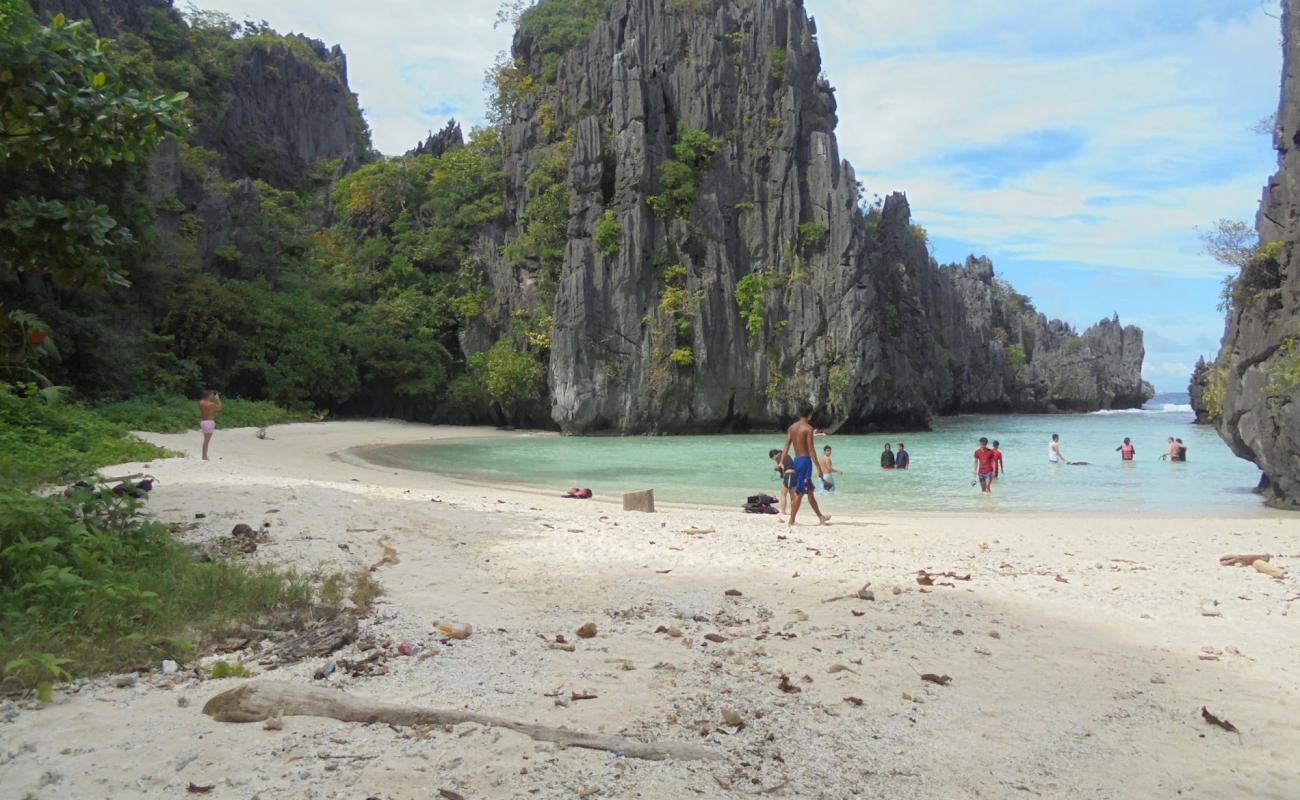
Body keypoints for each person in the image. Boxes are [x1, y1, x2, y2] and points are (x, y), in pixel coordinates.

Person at [778, 403, 830, 529]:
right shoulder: (808, 429)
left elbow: (786, 446)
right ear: (810, 414)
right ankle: (791, 521)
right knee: (800, 492)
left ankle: (820, 517)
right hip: (805, 461)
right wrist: (818, 467)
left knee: (809, 492)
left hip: (796, 461)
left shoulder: (792, 428)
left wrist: (781, 461)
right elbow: (811, 450)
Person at [769, 448, 795, 515]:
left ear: (774, 455)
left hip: (789, 475)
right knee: (792, 496)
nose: (774, 460)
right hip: (794, 475)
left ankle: (783, 512)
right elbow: (788, 465)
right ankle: (793, 512)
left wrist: (776, 468)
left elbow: (781, 467)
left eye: (773, 459)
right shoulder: (786, 455)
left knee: (783, 494)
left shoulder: (779, 457)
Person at [199, 390, 222, 461]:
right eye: (212, 395)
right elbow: (219, 408)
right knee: (206, 441)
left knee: (205, 440)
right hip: (209, 422)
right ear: (209, 396)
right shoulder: (210, 404)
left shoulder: (201, 402)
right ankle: (204, 456)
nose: (213, 396)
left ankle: (204, 455)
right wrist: (218, 400)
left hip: (203, 421)